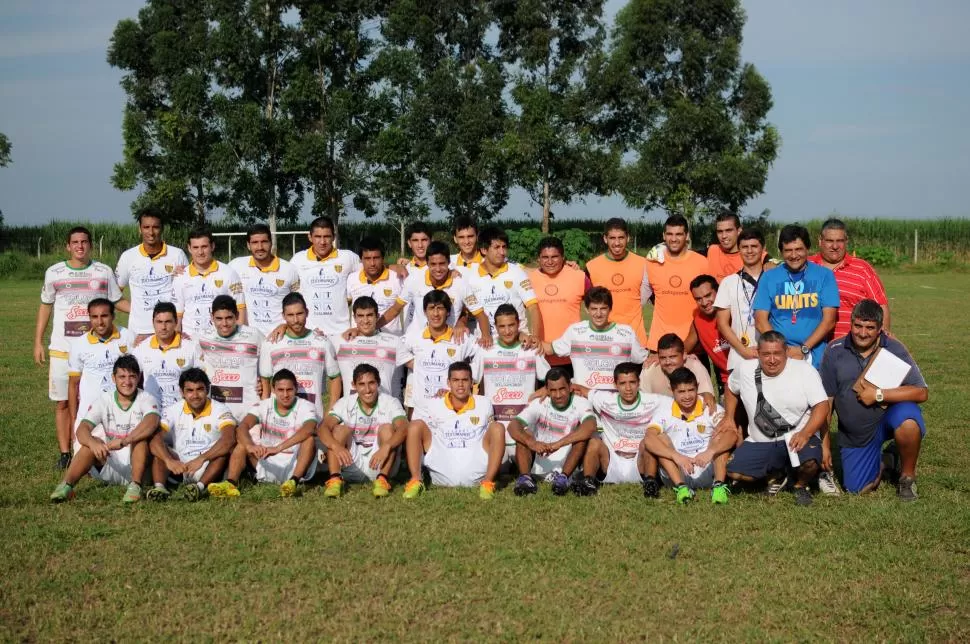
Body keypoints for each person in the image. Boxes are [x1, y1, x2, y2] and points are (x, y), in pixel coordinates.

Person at [820, 300, 927, 500]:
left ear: (879, 329)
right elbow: (826, 404)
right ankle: (887, 459)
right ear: (850, 323)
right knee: (857, 489)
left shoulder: (893, 347)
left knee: (909, 422)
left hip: (889, 419)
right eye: (858, 326)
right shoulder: (834, 351)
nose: (862, 333)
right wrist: (824, 445)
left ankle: (907, 479)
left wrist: (879, 395)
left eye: (870, 328)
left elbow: (921, 392)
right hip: (857, 435)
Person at [36, 225, 124, 469]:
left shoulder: (103, 272)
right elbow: (45, 306)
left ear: (91, 245)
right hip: (62, 349)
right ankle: (66, 453)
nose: (80, 246)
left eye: (84, 242)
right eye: (75, 242)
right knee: (63, 402)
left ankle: (101, 446)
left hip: (95, 351)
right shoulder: (54, 272)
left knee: (96, 399)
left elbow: (118, 302)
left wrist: (151, 313)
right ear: (68, 246)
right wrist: (37, 342)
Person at [720, 331, 830, 506]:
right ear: (758, 353)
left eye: (777, 353)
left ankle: (800, 485)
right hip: (761, 440)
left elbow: (822, 406)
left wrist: (806, 433)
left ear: (786, 351)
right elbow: (730, 388)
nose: (772, 360)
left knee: (809, 463)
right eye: (766, 354)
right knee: (734, 472)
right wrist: (728, 417)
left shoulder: (804, 370)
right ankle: (779, 472)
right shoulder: (745, 369)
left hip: (796, 436)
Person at [49, 355, 160, 504]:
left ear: (139, 377)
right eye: (122, 376)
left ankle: (135, 487)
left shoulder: (146, 398)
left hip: (140, 469)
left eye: (132, 376)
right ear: (113, 378)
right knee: (91, 442)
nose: (127, 382)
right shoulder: (104, 399)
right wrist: (93, 443)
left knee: (140, 441)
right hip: (110, 465)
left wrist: (125, 441)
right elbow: (82, 429)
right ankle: (66, 486)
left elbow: (151, 422)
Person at [401, 361, 506, 500]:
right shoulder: (434, 403)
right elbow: (421, 433)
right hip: (440, 466)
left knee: (498, 427)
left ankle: (488, 483)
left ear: (471, 383)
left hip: (476, 462)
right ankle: (416, 480)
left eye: (464, 380)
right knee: (414, 425)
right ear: (448, 383)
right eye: (456, 380)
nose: (460, 384)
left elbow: (491, 434)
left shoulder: (484, 403)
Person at [210, 369, 319, 498]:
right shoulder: (263, 405)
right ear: (273, 389)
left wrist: (278, 448)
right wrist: (250, 446)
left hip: (294, 463)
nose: (285, 395)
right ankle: (230, 484)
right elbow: (243, 426)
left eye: (289, 390)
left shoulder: (306, 406)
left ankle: (293, 482)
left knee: (309, 439)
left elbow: (309, 428)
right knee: (242, 444)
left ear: (296, 389)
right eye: (280, 390)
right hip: (267, 460)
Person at [640, 368, 735, 505]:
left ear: (697, 386)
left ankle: (719, 487)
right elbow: (648, 439)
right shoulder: (664, 410)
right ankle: (681, 488)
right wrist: (675, 455)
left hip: (708, 468)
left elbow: (732, 434)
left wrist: (710, 452)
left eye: (691, 390)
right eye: (681, 392)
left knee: (722, 434)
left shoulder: (710, 407)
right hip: (677, 471)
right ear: (672, 390)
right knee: (659, 438)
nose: (687, 396)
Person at [572, 362, 667, 496]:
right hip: (611, 462)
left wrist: (707, 396)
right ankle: (588, 482)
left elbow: (682, 400)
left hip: (640, 462)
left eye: (632, 382)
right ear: (615, 385)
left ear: (638, 383)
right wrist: (544, 390)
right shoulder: (604, 399)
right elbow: (576, 389)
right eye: (622, 383)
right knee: (594, 442)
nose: (628, 388)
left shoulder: (654, 400)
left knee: (648, 442)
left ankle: (651, 483)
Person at [753, 224, 839, 369]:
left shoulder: (825, 276)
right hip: (779, 357)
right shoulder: (769, 277)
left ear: (808, 248)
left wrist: (803, 349)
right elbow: (761, 320)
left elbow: (829, 320)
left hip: (814, 355)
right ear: (781, 252)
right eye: (788, 250)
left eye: (798, 249)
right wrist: (782, 349)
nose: (793, 255)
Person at [317, 364, 409, 498]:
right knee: (339, 430)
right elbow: (323, 427)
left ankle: (382, 480)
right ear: (353, 385)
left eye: (371, 383)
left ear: (378, 383)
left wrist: (386, 447)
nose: (367, 389)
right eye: (361, 384)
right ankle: (335, 480)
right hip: (350, 463)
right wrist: (336, 446)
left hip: (381, 462)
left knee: (387, 429)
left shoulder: (390, 402)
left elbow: (404, 427)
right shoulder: (345, 402)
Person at [474, 304, 550, 463]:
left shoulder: (530, 349)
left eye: (511, 325)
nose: (507, 331)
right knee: (499, 467)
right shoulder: (486, 350)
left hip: (524, 427)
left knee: (524, 464)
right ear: (495, 327)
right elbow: (469, 378)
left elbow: (552, 378)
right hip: (496, 426)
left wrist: (545, 389)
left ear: (519, 324)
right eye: (502, 326)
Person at [147, 368, 237, 502]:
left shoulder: (220, 409)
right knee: (158, 446)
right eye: (189, 390)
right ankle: (160, 488)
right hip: (179, 466)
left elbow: (229, 439)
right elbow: (155, 439)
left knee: (222, 452)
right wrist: (169, 460)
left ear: (207, 389)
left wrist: (201, 459)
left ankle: (198, 488)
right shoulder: (172, 410)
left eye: (200, 389)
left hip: (206, 466)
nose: (195, 395)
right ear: (182, 392)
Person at [505, 367, 598, 496]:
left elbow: (590, 426)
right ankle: (525, 479)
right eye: (553, 390)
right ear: (547, 390)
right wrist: (531, 442)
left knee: (582, 436)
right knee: (524, 434)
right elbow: (513, 426)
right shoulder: (540, 402)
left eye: (562, 389)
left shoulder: (581, 402)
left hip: (568, 462)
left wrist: (559, 444)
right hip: (540, 457)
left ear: (570, 387)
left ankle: (563, 478)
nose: (558, 395)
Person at [543, 286, 648, 390]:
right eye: (594, 309)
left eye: (603, 308)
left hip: (616, 399)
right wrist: (529, 340)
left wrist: (655, 356)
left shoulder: (626, 333)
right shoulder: (575, 331)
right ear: (587, 309)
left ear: (610, 309)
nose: (598, 314)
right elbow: (549, 349)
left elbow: (644, 359)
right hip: (585, 397)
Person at [383, 241, 490, 342]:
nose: (438, 269)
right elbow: (395, 310)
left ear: (449, 262)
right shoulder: (414, 280)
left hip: (448, 344)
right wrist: (374, 327)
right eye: (433, 264)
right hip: (418, 343)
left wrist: (486, 336)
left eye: (442, 263)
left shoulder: (460, 284)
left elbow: (480, 314)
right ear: (427, 263)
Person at [397, 290, 480, 415]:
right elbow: (400, 348)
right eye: (431, 308)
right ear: (425, 312)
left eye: (440, 308)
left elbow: (481, 352)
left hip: (450, 408)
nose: (436, 314)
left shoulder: (459, 337)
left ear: (447, 312)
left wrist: (469, 377)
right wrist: (419, 365)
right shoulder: (415, 337)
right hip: (421, 411)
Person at [258, 292, 340, 418]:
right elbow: (265, 382)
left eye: (299, 314)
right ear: (283, 316)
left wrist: (330, 412)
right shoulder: (270, 343)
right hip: (279, 418)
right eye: (290, 315)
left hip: (314, 417)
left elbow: (335, 378)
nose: (295, 320)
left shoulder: (322, 342)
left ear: (307, 312)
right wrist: (264, 415)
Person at [809, 218, 891, 338]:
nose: (835, 246)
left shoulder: (862, 269)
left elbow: (881, 306)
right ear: (820, 241)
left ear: (846, 241)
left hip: (851, 348)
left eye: (840, 241)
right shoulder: (807, 266)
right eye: (829, 241)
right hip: (811, 347)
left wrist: (883, 340)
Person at [115, 210, 188, 341]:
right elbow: (114, 296)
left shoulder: (177, 255)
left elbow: (188, 291)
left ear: (162, 229)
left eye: (155, 227)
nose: (151, 232)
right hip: (139, 332)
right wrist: (136, 309)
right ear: (140, 229)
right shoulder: (128, 256)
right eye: (146, 227)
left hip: (170, 330)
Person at [66, 298, 136, 433]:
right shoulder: (79, 344)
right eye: (94, 317)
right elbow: (73, 385)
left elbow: (138, 375)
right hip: (89, 417)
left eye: (104, 316)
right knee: (85, 453)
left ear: (113, 316)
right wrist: (74, 420)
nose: (100, 322)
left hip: (122, 414)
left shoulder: (127, 336)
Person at [642, 215, 709, 351]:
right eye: (670, 234)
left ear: (687, 235)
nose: (673, 239)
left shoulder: (702, 263)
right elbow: (638, 299)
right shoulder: (651, 262)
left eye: (679, 234)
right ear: (663, 235)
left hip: (693, 342)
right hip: (660, 344)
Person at [465, 226, 542, 341]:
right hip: (486, 344)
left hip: (518, 342)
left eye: (504, 247)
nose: (502, 252)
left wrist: (535, 338)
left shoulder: (517, 271)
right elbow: (464, 310)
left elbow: (533, 308)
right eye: (496, 247)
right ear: (484, 250)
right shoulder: (470, 276)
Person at [529, 236, 590, 380]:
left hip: (572, 356)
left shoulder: (579, 277)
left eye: (555, 257)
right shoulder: (529, 279)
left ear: (563, 257)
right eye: (545, 257)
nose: (549, 262)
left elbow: (597, 307)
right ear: (538, 259)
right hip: (540, 355)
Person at [290, 216, 361, 337]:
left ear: (333, 237)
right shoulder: (297, 260)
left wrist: (393, 267)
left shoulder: (348, 257)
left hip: (341, 332)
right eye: (318, 237)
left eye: (327, 237)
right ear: (310, 237)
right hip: (309, 333)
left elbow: (372, 270)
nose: (322, 242)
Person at [197, 295, 264, 421]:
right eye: (219, 318)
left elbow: (272, 358)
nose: (224, 324)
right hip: (216, 413)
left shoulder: (254, 335)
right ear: (211, 317)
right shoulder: (201, 337)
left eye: (229, 318)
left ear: (237, 316)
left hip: (249, 411)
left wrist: (264, 383)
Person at [714, 228, 770, 374]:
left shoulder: (773, 279)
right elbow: (722, 323)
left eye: (754, 246)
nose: (749, 251)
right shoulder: (728, 282)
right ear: (739, 249)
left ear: (763, 248)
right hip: (740, 356)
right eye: (745, 247)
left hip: (771, 354)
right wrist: (743, 350)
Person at [228, 223, 300, 336]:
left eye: (264, 242)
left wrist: (285, 325)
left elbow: (299, 305)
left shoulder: (289, 269)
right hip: (248, 338)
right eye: (255, 243)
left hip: (279, 337)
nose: (260, 247)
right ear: (248, 245)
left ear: (271, 243)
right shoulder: (235, 266)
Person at [172, 227, 246, 338]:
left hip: (221, 340)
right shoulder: (180, 276)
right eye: (195, 247)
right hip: (190, 340)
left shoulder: (229, 273)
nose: (200, 252)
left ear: (212, 246)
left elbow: (240, 308)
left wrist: (237, 338)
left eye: (204, 247)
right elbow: (177, 315)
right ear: (189, 248)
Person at [586, 218, 648, 346]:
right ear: (605, 239)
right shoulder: (591, 267)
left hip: (635, 340)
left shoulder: (643, 264)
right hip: (604, 339)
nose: (617, 243)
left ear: (628, 238)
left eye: (621, 237)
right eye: (612, 238)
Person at [133, 301, 200, 410]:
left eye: (168, 322)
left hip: (182, 412)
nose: (163, 327)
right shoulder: (141, 348)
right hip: (151, 412)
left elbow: (202, 381)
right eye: (159, 322)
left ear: (176, 322)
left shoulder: (190, 347)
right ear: (153, 322)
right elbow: (129, 378)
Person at [334, 296, 401, 397]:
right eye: (360, 316)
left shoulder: (393, 342)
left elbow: (417, 365)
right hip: (352, 409)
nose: (365, 321)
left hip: (383, 408)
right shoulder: (341, 340)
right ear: (354, 318)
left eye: (369, 315)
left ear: (377, 316)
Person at [639, 333, 716, 413]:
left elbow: (708, 397)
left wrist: (707, 394)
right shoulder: (649, 370)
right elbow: (641, 403)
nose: (668, 362)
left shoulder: (696, 367)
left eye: (673, 357)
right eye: (663, 358)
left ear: (684, 355)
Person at [347, 237, 408, 335]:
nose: (372, 263)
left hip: (390, 341)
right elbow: (344, 305)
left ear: (383, 258)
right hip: (359, 342)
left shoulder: (398, 278)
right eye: (367, 258)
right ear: (361, 260)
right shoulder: (352, 278)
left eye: (376, 258)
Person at [685, 275, 730, 388]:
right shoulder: (698, 322)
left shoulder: (734, 311)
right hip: (726, 380)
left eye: (708, 295)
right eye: (698, 299)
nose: (704, 302)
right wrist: (661, 355)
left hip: (750, 374)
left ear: (718, 291)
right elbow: (683, 348)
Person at [706, 211, 746, 281]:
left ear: (739, 231)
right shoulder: (712, 250)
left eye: (728, 230)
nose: (724, 236)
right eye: (720, 231)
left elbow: (767, 259)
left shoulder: (750, 253)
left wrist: (770, 261)